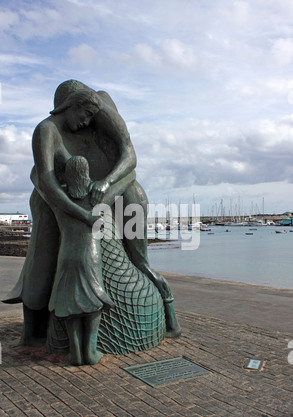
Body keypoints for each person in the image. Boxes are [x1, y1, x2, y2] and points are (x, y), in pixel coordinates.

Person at [3, 80, 180, 345]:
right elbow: (44, 178)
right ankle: (34, 322)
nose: (86, 123)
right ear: (69, 106)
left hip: (113, 182)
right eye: (84, 116)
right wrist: (77, 210)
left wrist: (106, 185)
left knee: (135, 206)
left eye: (90, 118)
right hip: (69, 188)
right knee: (44, 230)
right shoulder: (48, 129)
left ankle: (146, 277)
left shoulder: (101, 109)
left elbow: (129, 157)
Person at [49, 155, 115, 365]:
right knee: (93, 299)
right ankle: (91, 351)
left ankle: (75, 352)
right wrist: (107, 182)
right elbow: (127, 180)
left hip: (66, 254)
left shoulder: (59, 197)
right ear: (86, 173)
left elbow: (38, 179)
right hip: (90, 254)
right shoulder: (97, 196)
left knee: (71, 301)